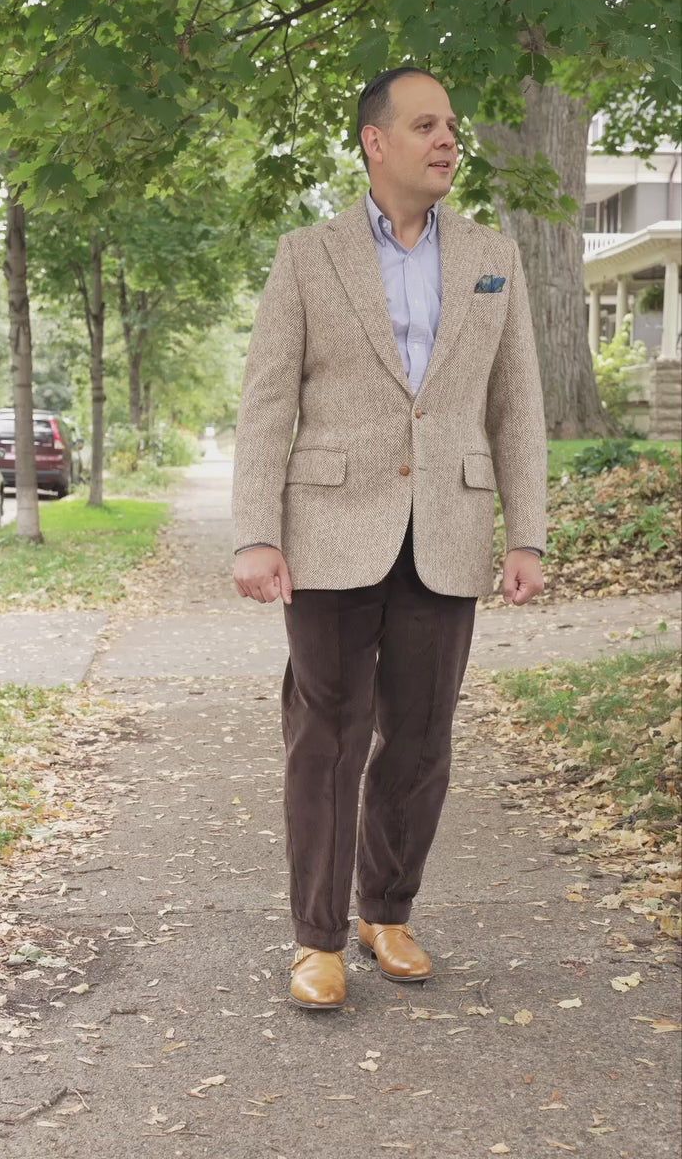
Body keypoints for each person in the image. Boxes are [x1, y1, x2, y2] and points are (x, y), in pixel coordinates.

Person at [231, 67, 547, 1010]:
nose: (447, 139)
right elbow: (267, 403)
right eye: (425, 125)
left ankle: (388, 912)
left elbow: (517, 405)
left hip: (448, 524)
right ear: (376, 142)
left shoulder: (494, 253)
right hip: (328, 528)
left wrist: (525, 532)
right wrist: (255, 533)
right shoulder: (307, 255)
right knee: (327, 734)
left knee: (420, 736)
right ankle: (318, 937)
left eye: (452, 124)